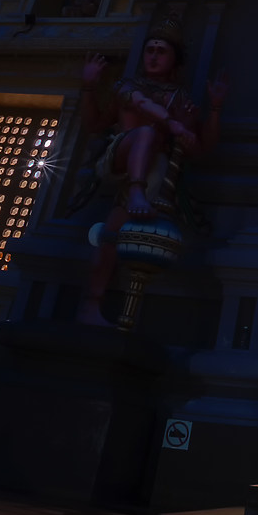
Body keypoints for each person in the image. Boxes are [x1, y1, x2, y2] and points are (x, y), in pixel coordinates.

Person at [75, 39, 224, 326]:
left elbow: (198, 150)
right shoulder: (127, 86)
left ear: (174, 60)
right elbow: (96, 125)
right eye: (149, 50)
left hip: (154, 174)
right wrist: (89, 87)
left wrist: (215, 110)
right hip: (121, 156)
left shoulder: (179, 98)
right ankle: (136, 193)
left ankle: (93, 307)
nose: (153, 56)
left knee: (111, 235)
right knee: (146, 133)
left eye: (161, 51)